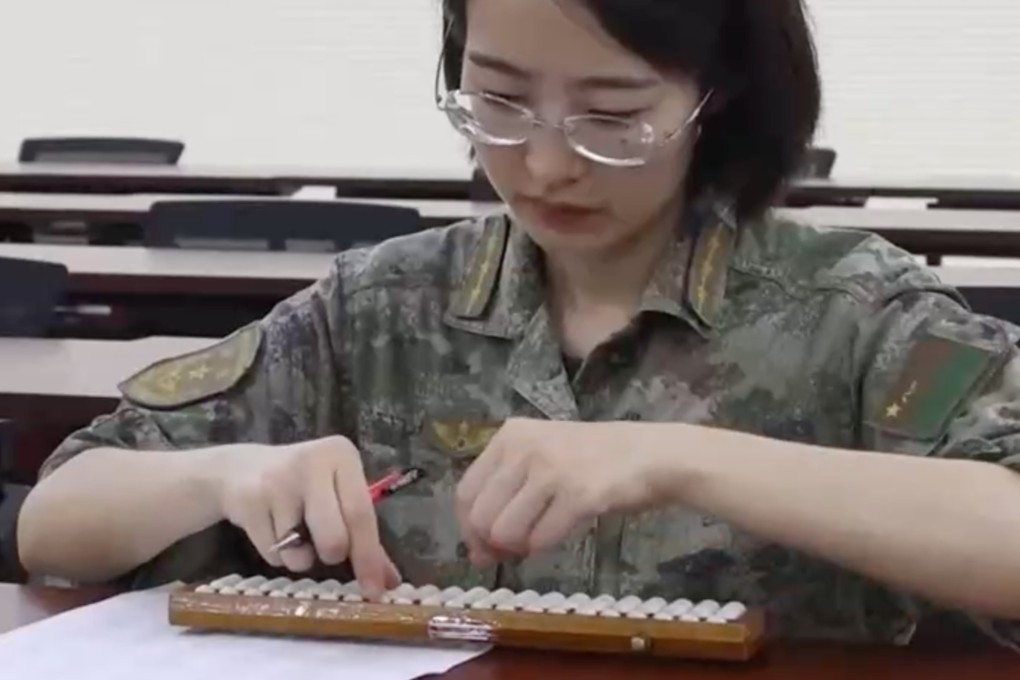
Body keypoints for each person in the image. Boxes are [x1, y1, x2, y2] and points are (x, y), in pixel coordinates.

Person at [13, 0, 1020, 649]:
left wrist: (686, 459)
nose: (545, 165)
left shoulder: (853, 310)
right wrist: (219, 473)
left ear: (719, 101)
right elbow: (56, 520)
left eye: (612, 116)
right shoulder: (379, 307)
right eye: (498, 102)